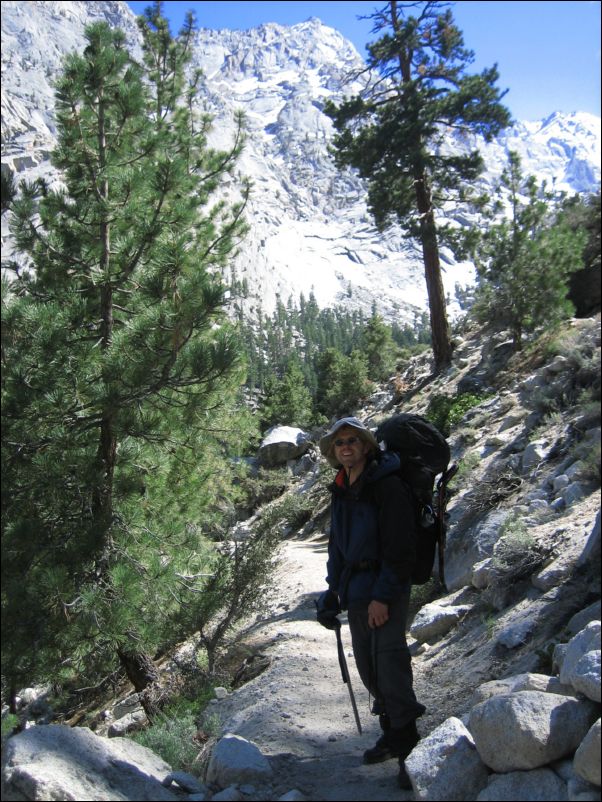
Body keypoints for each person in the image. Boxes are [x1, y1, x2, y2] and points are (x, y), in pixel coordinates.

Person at [316, 416, 425, 790]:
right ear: (334, 451)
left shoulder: (387, 486)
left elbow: (401, 548)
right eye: (339, 442)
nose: (346, 446)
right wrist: (331, 593)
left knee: (390, 664)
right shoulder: (343, 487)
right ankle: (392, 734)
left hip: (384, 588)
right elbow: (337, 547)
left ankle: (409, 749)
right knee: (368, 667)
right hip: (357, 589)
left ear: (365, 445)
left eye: (352, 440)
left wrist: (383, 596)